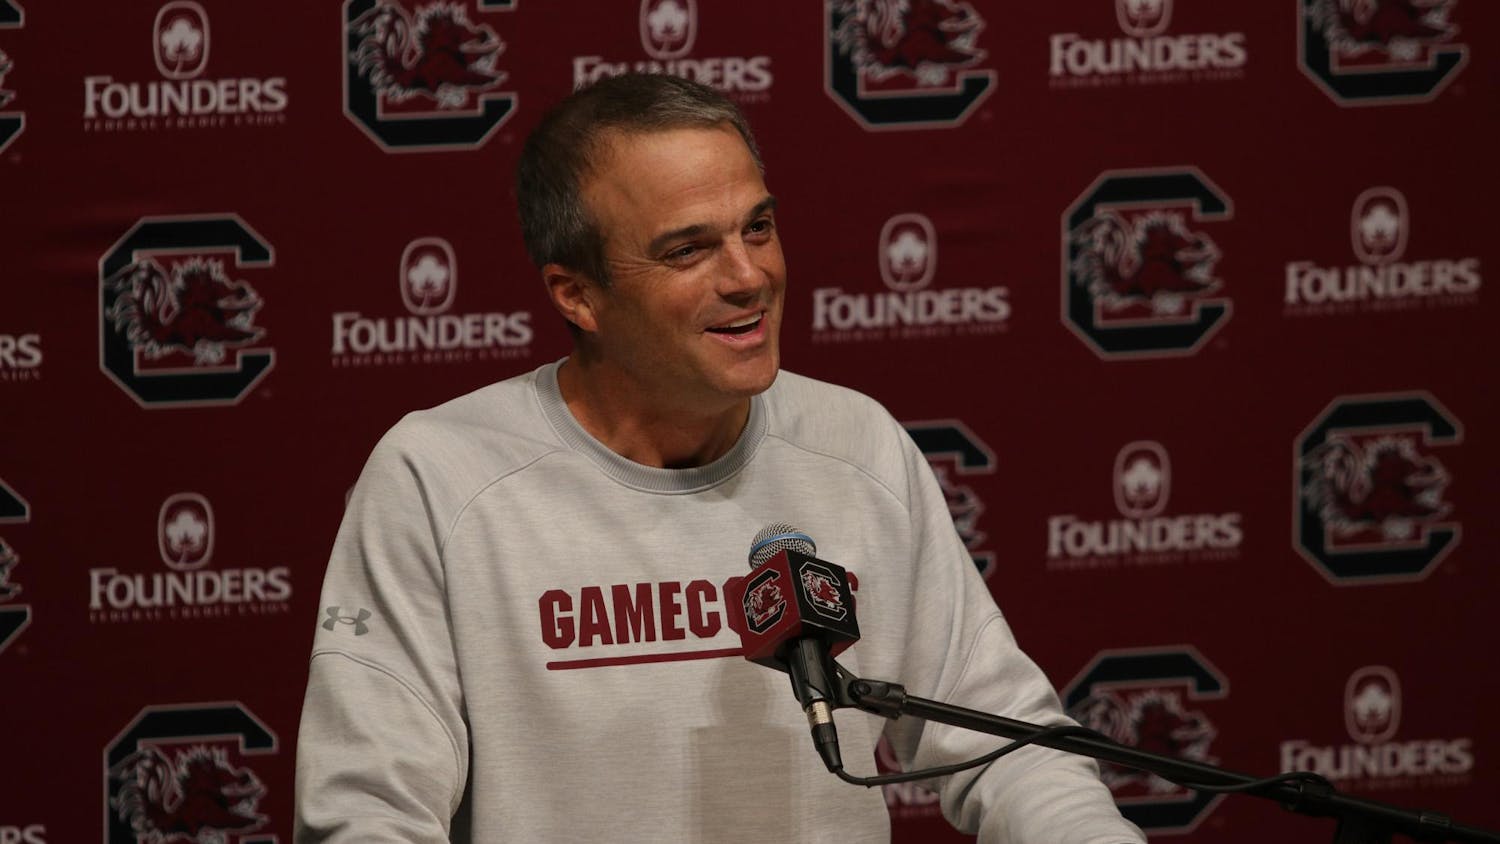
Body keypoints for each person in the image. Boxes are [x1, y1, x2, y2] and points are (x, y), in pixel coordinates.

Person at [295, 73, 1145, 843]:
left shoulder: (855, 445)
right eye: (688, 249)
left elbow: (1007, 746)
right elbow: (367, 814)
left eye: (759, 227)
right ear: (577, 294)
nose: (749, 276)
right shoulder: (438, 479)